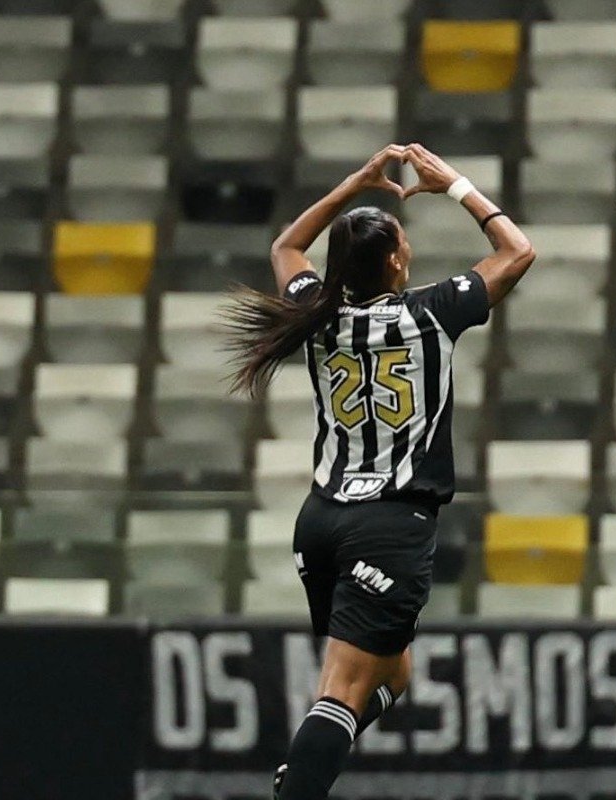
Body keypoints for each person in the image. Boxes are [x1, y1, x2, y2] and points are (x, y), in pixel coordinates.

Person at [222, 144, 536, 800]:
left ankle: (307, 766)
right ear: (396, 259)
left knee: (391, 679)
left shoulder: (315, 311)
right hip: (389, 522)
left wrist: (355, 185)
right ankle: (301, 787)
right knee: (342, 687)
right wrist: (454, 185)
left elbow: (287, 246)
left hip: (323, 523)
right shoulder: (430, 314)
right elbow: (517, 251)